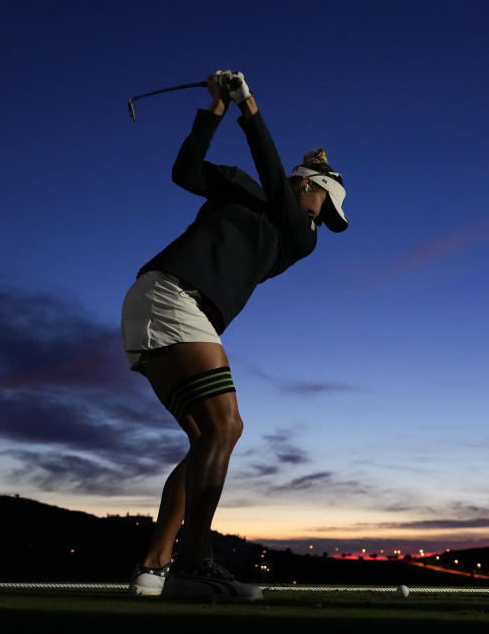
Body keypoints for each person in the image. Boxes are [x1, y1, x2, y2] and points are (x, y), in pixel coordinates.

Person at [120, 69, 348, 600]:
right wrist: (220, 108)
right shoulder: (244, 189)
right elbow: (186, 170)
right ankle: (194, 565)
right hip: (169, 297)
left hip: (166, 306)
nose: (322, 221)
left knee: (210, 437)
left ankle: (154, 569)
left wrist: (248, 105)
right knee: (224, 429)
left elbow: (274, 178)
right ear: (311, 188)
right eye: (325, 208)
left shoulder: (299, 238)